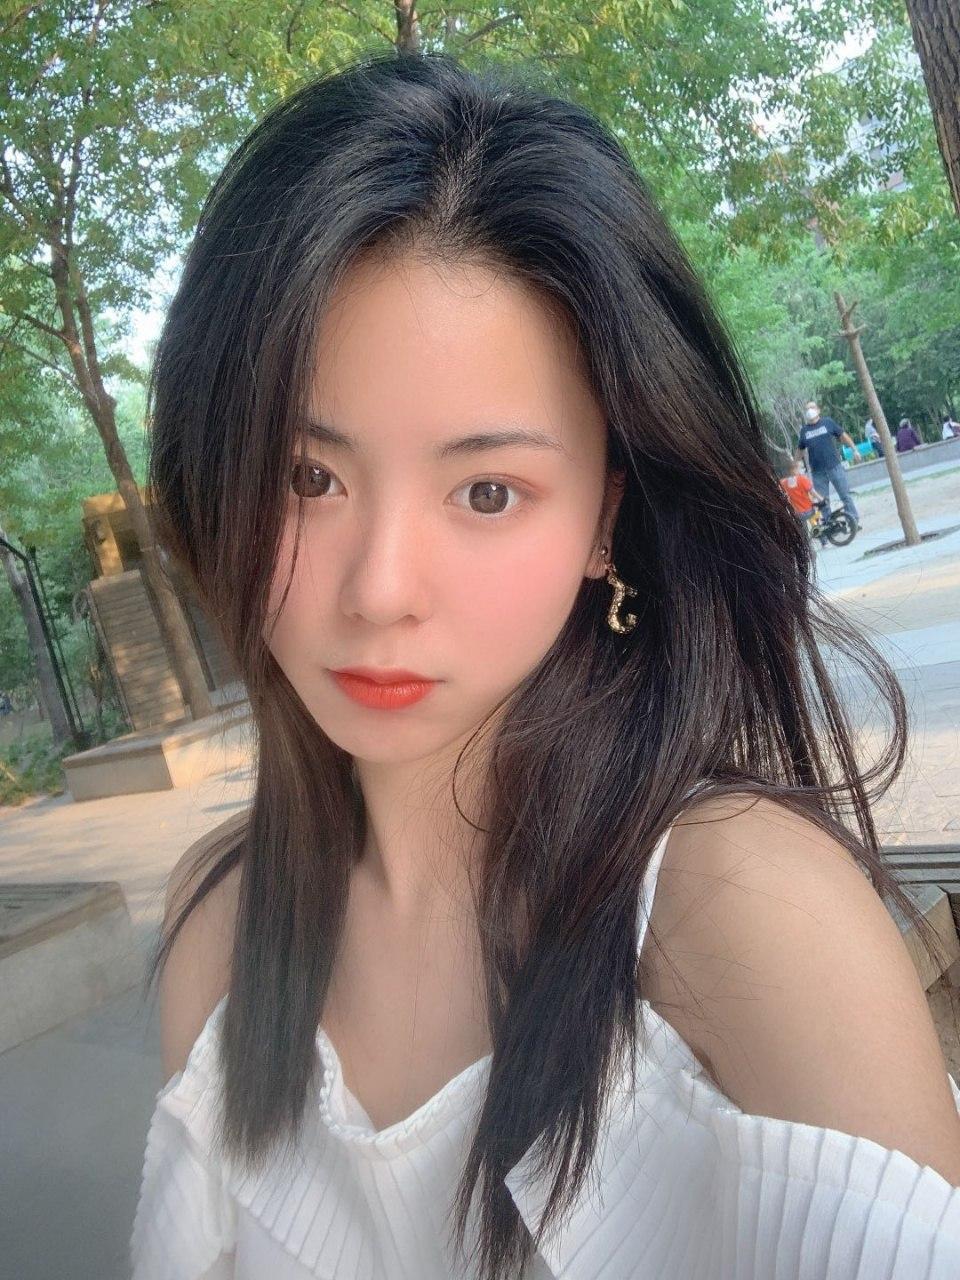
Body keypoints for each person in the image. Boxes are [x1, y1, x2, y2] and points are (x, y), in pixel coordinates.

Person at [130, 54, 960, 1280]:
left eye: (486, 490)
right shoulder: (218, 923)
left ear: (602, 520)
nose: (380, 589)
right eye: (311, 477)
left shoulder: (740, 914)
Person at [794, 401, 860, 528]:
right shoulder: (804, 431)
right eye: (807, 409)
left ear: (818, 410)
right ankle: (830, 526)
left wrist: (854, 449)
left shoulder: (828, 422)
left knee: (845, 495)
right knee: (823, 501)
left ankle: (853, 522)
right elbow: (800, 450)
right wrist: (794, 466)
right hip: (817, 472)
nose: (809, 410)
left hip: (834, 466)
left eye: (812, 407)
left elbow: (843, 436)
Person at [779, 459, 823, 540]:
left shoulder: (784, 483)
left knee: (802, 529)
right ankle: (823, 540)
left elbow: (779, 485)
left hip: (798, 514)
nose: (802, 470)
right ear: (794, 469)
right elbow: (813, 492)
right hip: (809, 510)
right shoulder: (802, 479)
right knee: (815, 521)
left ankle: (805, 540)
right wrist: (821, 499)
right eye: (801, 468)